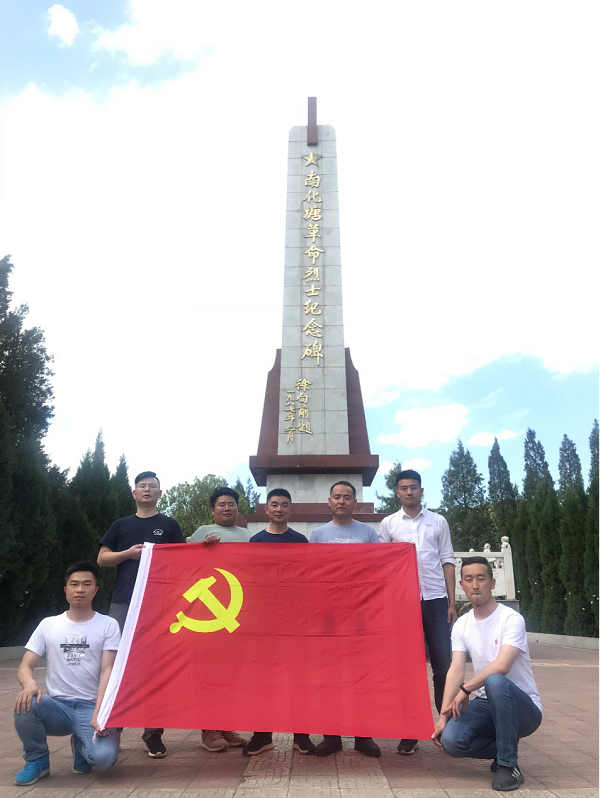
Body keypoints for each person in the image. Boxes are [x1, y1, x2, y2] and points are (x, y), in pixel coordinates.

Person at [431, 556, 542, 792]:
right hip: (485, 705)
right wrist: (443, 716)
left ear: (492, 583)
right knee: (452, 741)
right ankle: (505, 745)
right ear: (461, 585)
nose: (475, 585)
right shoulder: (462, 625)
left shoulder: (511, 619)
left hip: (523, 709)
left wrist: (465, 689)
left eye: (481, 579)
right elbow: (456, 670)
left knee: (495, 681)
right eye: (469, 579)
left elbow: (502, 665)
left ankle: (508, 766)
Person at [98, 470, 185, 758]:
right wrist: (127, 554)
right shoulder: (121, 525)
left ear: (160, 493)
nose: (147, 490)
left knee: (156, 667)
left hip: (160, 605)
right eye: (142, 486)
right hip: (124, 602)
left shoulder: (169, 525)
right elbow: (102, 558)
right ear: (134, 493)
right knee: (117, 665)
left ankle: (153, 732)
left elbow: (185, 560)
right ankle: (114, 726)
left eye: (152, 486)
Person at [13, 562, 121, 786]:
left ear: (95, 590)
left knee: (103, 760)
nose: (80, 589)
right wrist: (29, 684)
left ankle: (82, 748)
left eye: (86, 584)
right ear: (66, 590)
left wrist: (100, 712)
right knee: (26, 702)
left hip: (91, 706)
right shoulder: (48, 625)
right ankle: (37, 760)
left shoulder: (108, 625)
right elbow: (25, 666)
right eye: (74, 584)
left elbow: (107, 670)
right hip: (57, 707)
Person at [378, 468, 456, 755]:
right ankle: (409, 731)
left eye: (414, 487)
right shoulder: (389, 524)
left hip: (435, 600)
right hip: (403, 603)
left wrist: (451, 602)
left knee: (443, 666)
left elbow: (447, 560)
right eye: (404, 488)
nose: (409, 492)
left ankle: (447, 726)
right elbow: (382, 565)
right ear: (397, 492)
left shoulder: (438, 521)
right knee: (407, 668)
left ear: (421, 490)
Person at [310, 480, 381, 758]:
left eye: (347, 497)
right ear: (329, 501)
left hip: (360, 614)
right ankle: (332, 736)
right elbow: (312, 574)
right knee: (330, 675)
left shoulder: (368, 533)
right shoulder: (318, 535)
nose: (342, 501)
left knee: (362, 674)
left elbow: (378, 571)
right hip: (329, 615)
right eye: (337, 497)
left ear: (355, 502)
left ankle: (364, 736)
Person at [243, 488, 315, 757]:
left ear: (290, 509)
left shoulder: (300, 541)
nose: (279, 509)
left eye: (284, 505)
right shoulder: (256, 541)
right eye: (274, 504)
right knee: (262, 679)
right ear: (266, 509)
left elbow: (307, 577)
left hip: (294, 619)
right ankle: (262, 736)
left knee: (298, 678)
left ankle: (301, 736)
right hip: (263, 619)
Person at [187, 486, 250, 752]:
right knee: (209, 672)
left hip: (239, 611)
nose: (227, 508)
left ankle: (226, 726)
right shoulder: (202, 532)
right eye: (222, 504)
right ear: (213, 510)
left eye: (231, 503)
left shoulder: (248, 536)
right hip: (209, 613)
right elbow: (183, 563)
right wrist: (202, 547)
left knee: (231, 674)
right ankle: (208, 729)